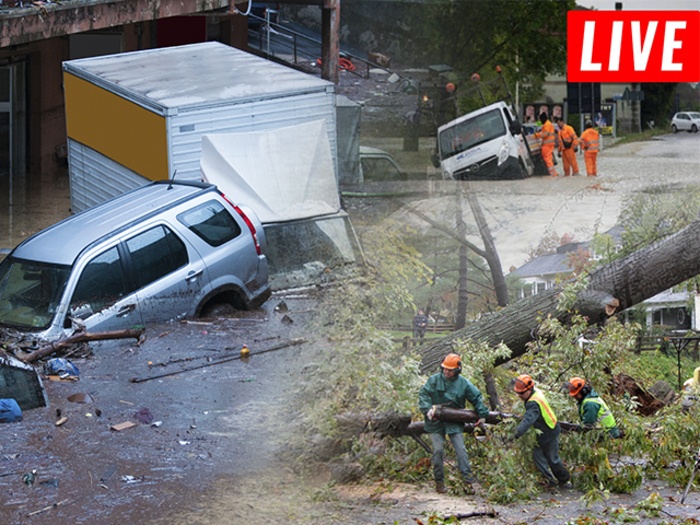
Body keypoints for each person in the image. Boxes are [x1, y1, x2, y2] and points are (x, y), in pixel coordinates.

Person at [419, 353, 489, 493]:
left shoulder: (463, 383)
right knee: (438, 450)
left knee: (460, 450)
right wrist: (427, 409)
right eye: (445, 368)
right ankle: (439, 482)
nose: (446, 371)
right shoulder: (434, 380)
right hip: (436, 421)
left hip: (454, 420)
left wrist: (482, 414)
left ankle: (467, 482)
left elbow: (476, 397)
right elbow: (424, 394)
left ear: (457, 370)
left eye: (450, 370)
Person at [510, 374, 570, 490]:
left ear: (529, 389)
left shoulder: (533, 403)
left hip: (549, 431)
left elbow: (528, 420)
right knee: (537, 455)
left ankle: (564, 479)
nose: (520, 396)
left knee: (552, 458)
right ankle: (549, 480)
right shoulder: (535, 391)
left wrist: (515, 434)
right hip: (543, 430)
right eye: (518, 393)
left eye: (522, 393)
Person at [534, 112, 557, 177]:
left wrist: (537, 135)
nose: (540, 121)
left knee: (547, 159)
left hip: (547, 145)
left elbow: (545, 134)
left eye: (540, 120)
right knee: (549, 158)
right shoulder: (549, 124)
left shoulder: (546, 125)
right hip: (550, 144)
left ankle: (552, 173)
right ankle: (553, 173)